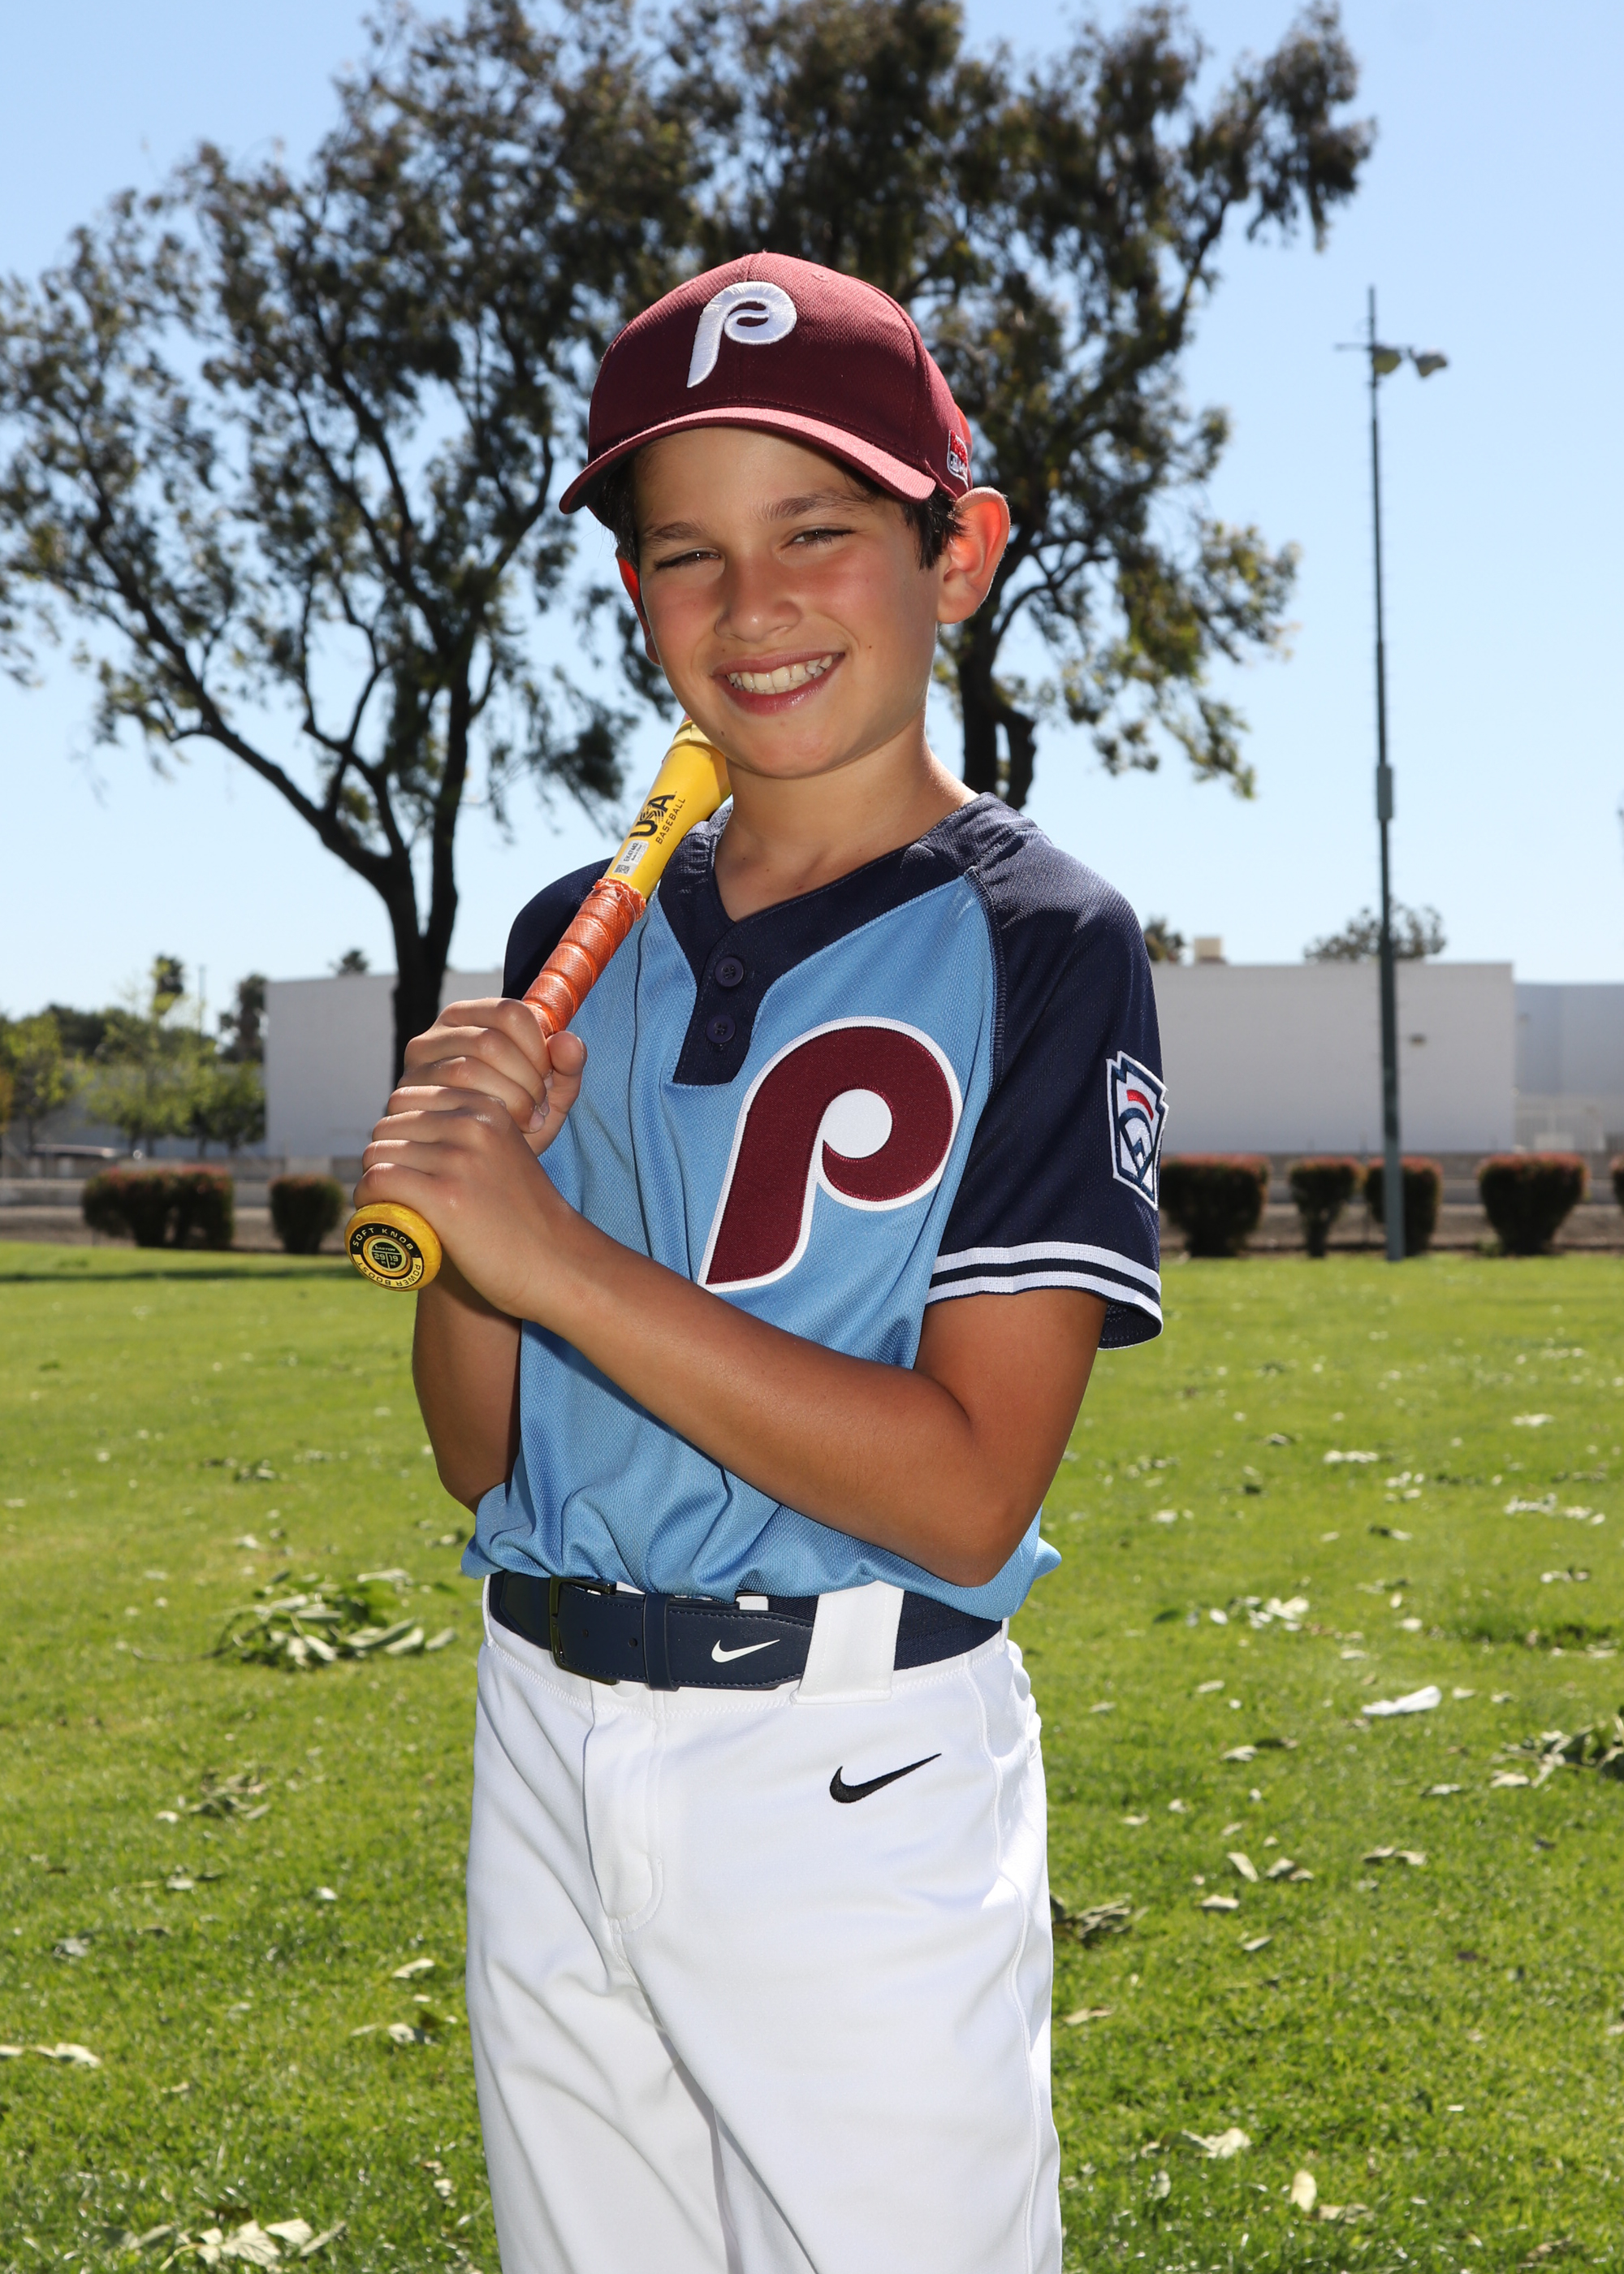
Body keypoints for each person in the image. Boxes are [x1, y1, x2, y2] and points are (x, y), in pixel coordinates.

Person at [357, 252, 1167, 2274]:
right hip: (545, 1719)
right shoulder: (580, 924)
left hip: (848, 1761)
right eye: (685, 555)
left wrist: (553, 1254)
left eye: (816, 530)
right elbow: (477, 1451)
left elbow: (968, 1486)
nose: (752, 605)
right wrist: (469, 1227)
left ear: (957, 551)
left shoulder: (1043, 938)